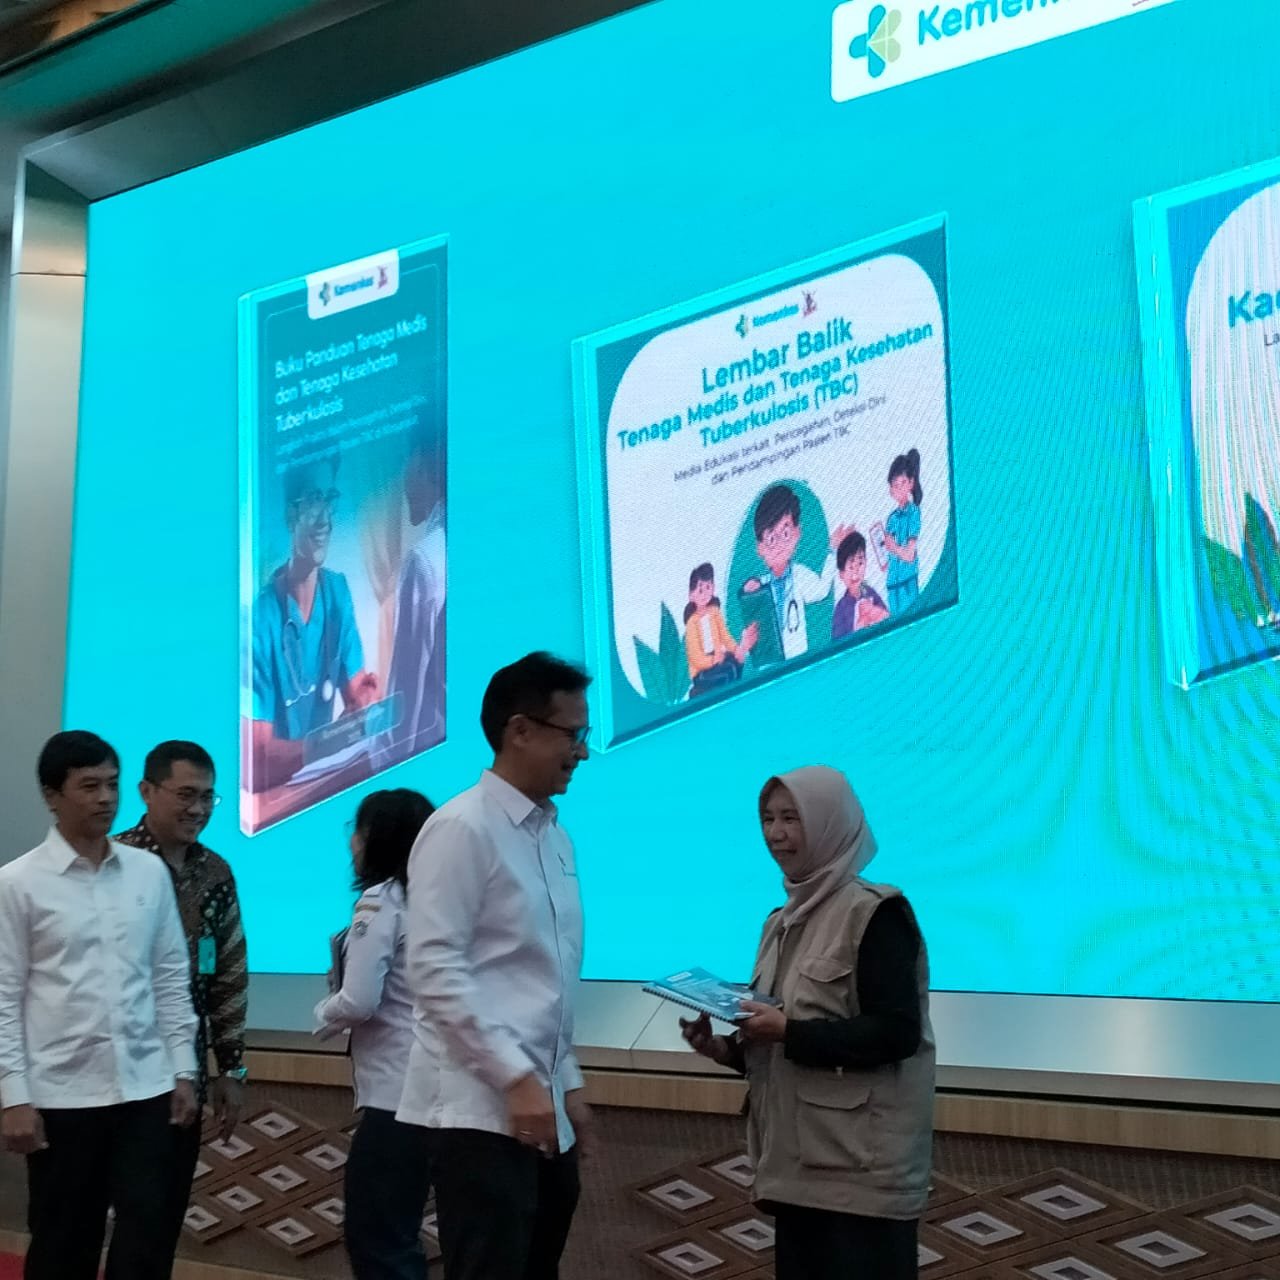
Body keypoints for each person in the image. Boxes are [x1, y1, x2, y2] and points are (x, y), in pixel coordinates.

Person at [680, 766, 934, 1280]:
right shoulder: (781, 921)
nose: (775, 834)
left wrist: (789, 1032)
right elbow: (783, 1041)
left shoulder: (875, 913)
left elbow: (896, 1033)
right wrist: (724, 1048)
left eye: (791, 818)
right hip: (795, 1169)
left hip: (860, 1175)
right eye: (767, 819)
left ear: (829, 823)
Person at [397, 652, 594, 1280]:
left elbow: (542, 977)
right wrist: (515, 1078)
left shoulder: (553, 837)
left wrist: (566, 1082)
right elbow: (435, 969)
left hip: (542, 1102)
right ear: (520, 731)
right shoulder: (461, 828)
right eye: (573, 734)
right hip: (480, 1108)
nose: (583, 752)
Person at [0, 731, 199, 1280]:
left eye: (112, 784)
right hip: (63, 1095)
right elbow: (4, 997)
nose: (106, 798)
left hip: (146, 1089)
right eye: (89, 786)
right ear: (52, 796)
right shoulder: (17, 884)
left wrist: (183, 1068)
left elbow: (169, 976)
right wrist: (13, 1096)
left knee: (147, 1237)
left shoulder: (147, 872)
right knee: (64, 1243)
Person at [114, 739, 249, 1260]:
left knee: (160, 1218)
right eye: (186, 795)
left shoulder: (216, 872)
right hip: (112, 1073)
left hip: (183, 1078)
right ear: (147, 791)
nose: (198, 809)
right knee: (96, 1214)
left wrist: (230, 1069)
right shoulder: (114, 863)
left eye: (208, 797)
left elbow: (228, 973)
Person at [315, 788, 435, 1280]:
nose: (352, 843)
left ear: (377, 839)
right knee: (403, 1235)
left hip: (394, 1097)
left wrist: (323, 1013)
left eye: (357, 831)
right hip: (441, 1092)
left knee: (378, 1238)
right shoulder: (441, 901)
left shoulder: (381, 901)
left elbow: (360, 1000)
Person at [249, 455, 382, 790]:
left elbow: (357, 695)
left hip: (325, 781)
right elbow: (259, 756)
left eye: (329, 499)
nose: (324, 519)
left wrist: (365, 702)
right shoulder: (261, 618)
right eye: (312, 501)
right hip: (276, 798)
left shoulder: (336, 591)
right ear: (289, 515)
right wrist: (334, 738)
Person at [372, 429, 446, 771]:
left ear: (422, 463)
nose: (404, 482)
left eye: (407, 464)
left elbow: (407, 693)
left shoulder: (426, 560)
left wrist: (382, 767)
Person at [740, 484, 850, 660]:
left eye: (785, 534)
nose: (779, 546)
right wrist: (747, 592)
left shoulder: (799, 575)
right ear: (760, 547)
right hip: (769, 663)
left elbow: (821, 590)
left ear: (797, 533)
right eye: (771, 539)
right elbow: (751, 620)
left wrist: (833, 550)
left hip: (798, 657)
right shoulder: (760, 586)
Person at [683, 563, 758, 696]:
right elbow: (695, 657)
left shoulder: (714, 612)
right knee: (728, 671)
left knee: (736, 662)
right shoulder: (692, 623)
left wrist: (735, 649)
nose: (705, 594)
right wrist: (712, 661)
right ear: (691, 595)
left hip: (718, 657)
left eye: (708, 587)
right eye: (700, 590)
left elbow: (725, 636)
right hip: (701, 671)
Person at [884, 449, 923, 615]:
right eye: (895, 485)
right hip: (892, 582)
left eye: (902, 483)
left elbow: (909, 555)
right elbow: (887, 557)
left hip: (908, 580)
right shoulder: (891, 518)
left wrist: (893, 547)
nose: (898, 489)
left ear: (911, 483)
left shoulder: (913, 513)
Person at [830, 531, 889, 639]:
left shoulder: (870, 593)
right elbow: (838, 641)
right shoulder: (841, 607)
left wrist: (873, 612)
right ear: (841, 574)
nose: (856, 571)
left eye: (860, 563)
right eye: (851, 567)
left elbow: (887, 619)